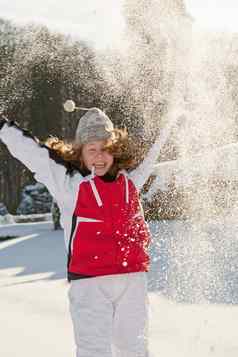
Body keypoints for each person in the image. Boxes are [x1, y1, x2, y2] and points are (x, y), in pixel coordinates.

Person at [0, 108, 161, 357]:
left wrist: (175, 117)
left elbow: (154, 152)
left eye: (105, 148)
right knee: (94, 350)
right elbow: (33, 154)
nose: (99, 156)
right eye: (92, 149)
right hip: (90, 283)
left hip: (132, 279)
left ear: (115, 150)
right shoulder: (70, 186)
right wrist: (3, 127)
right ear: (81, 153)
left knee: (135, 348)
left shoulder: (130, 181)